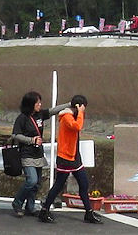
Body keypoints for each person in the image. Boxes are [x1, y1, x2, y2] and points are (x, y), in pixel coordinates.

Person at [39, 95, 98, 224]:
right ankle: (44, 210)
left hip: (75, 156)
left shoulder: (74, 115)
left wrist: (79, 113)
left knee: (84, 184)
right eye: (83, 107)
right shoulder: (66, 116)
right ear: (78, 106)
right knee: (59, 185)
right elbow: (77, 126)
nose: (84, 110)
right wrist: (80, 112)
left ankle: (89, 212)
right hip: (65, 157)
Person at [8, 91, 49, 218]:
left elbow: (53, 111)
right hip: (27, 154)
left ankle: (30, 207)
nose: (40, 105)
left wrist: (70, 104)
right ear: (30, 104)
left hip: (38, 153)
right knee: (31, 180)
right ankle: (17, 203)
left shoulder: (40, 115)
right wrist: (31, 140)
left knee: (37, 184)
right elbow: (15, 135)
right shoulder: (22, 118)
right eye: (37, 103)